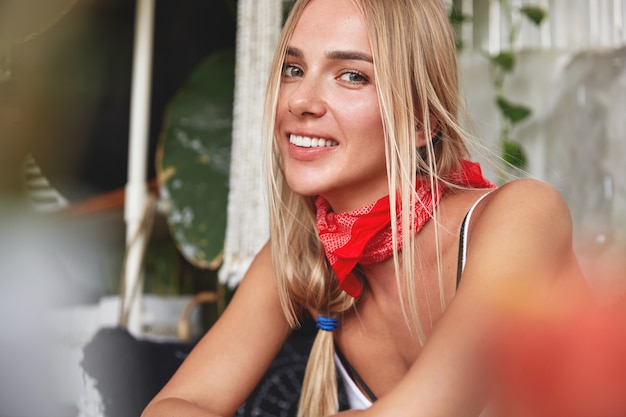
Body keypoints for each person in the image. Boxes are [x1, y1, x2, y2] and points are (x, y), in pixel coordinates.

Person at [142, 0, 586, 416]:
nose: (300, 100)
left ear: (419, 121)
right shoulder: (298, 255)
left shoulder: (524, 217)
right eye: (294, 69)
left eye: (352, 76)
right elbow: (172, 406)